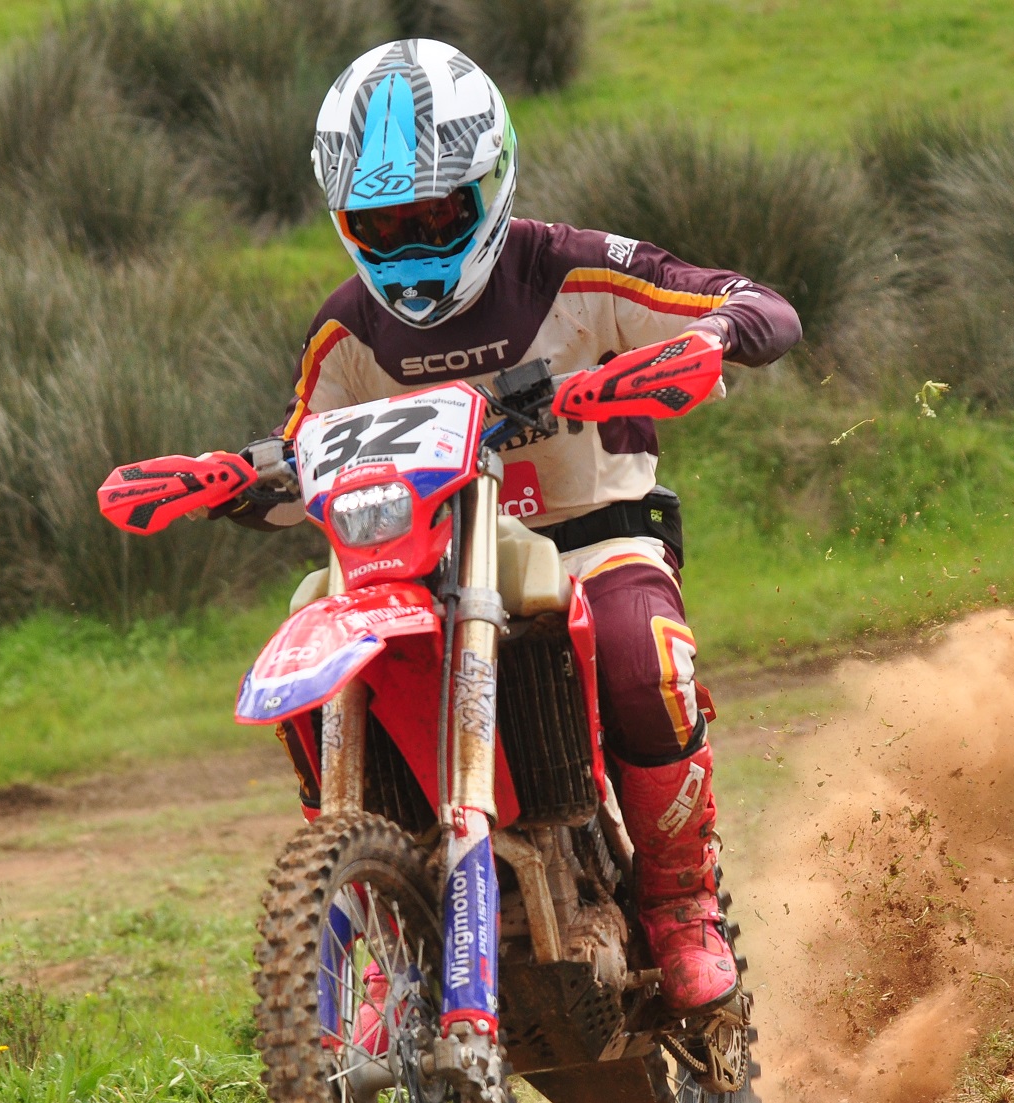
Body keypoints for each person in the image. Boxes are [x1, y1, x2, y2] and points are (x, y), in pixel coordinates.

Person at [233, 38, 801, 1016]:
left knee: (635, 655)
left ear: (488, 181)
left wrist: (712, 336)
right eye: (381, 220)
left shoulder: (568, 270)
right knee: (307, 637)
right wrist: (252, 477)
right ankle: (370, 912)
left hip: (594, 537)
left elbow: (752, 304)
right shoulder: (347, 333)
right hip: (417, 568)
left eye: (435, 211)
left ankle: (679, 902)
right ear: (341, 219)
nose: (409, 238)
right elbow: (302, 450)